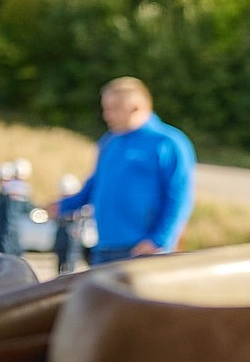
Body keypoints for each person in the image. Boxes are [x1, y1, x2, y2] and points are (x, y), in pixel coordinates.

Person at [60, 77, 196, 266]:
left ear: (136, 107)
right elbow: (94, 186)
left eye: (113, 108)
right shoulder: (109, 141)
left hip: (142, 249)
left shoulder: (168, 142)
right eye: (105, 108)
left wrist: (158, 240)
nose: (107, 115)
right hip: (103, 246)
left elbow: (180, 198)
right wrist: (61, 206)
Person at [52, 172, 84, 274]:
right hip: (62, 231)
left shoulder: (77, 204)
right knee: (61, 253)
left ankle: (69, 273)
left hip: (72, 232)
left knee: (71, 256)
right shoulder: (62, 203)